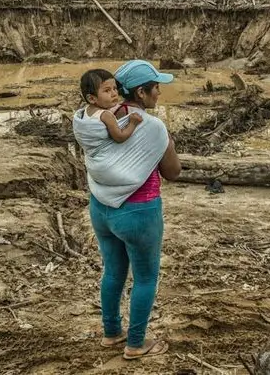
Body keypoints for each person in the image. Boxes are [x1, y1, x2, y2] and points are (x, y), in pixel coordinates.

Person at [89, 59, 181, 360]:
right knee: (145, 278)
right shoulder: (153, 127)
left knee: (113, 271)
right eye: (156, 88)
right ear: (141, 93)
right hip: (139, 212)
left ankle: (112, 333)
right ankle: (136, 343)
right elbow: (173, 172)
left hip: (101, 207)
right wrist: (169, 144)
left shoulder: (101, 116)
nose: (159, 93)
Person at [79, 69, 144, 143]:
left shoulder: (87, 110)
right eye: (107, 90)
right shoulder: (106, 115)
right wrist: (133, 123)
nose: (114, 94)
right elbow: (120, 137)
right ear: (91, 98)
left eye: (115, 88)